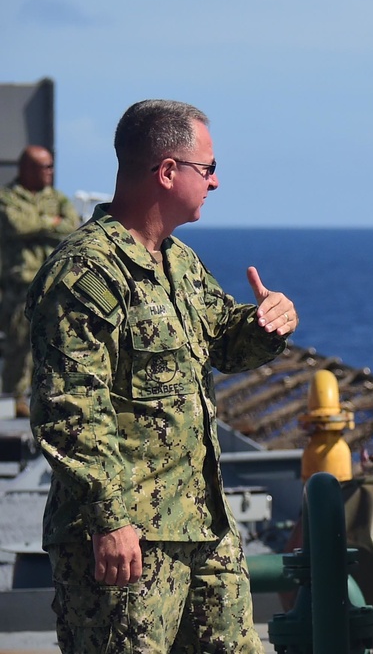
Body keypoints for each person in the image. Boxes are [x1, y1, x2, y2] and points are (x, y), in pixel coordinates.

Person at [27, 99, 298, 653]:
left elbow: (225, 340)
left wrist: (270, 322)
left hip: (203, 526)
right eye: (207, 169)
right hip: (131, 539)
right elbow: (70, 408)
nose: (216, 183)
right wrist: (111, 519)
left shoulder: (177, 262)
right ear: (168, 172)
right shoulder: (86, 272)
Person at [0, 145, 81, 417]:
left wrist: (39, 223)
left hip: (52, 286)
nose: (51, 172)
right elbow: (17, 225)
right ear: (26, 169)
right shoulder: (7, 198)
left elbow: (70, 227)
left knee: (55, 344)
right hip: (20, 287)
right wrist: (50, 223)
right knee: (18, 347)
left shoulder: (57, 198)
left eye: (51, 166)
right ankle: (15, 401)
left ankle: (47, 399)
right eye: (44, 166)